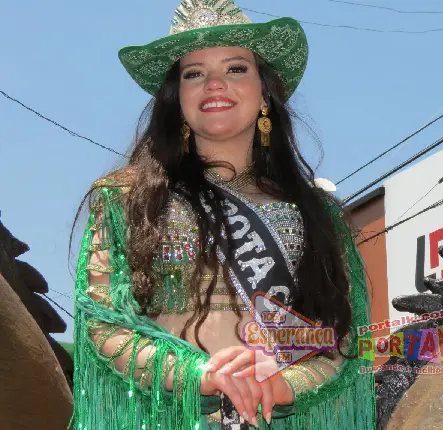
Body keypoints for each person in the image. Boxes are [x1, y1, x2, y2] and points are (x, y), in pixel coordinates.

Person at [69, 1, 375, 429]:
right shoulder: (125, 199)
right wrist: (199, 375)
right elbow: (104, 324)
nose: (214, 84)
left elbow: (339, 338)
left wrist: (284, 382)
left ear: (265, 91)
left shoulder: (317, 214)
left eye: (235, 69)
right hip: (170, 418)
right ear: (177, 97)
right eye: (193, 73)